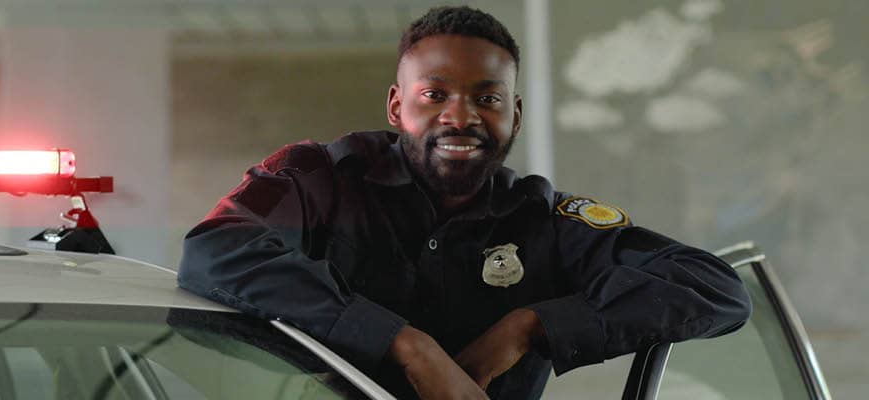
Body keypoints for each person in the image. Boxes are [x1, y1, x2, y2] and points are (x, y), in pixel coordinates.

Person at [178, 6, 751, 399]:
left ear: (515, 114)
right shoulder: (319, 179)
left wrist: (531, 326)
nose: (460, 116)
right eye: (435, 94)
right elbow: (217, 249)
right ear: (396, 106)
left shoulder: (547, 221)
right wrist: (403, 344)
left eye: (487, 97)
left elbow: (716, 288)